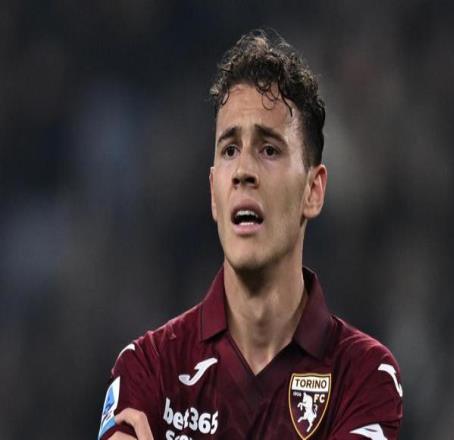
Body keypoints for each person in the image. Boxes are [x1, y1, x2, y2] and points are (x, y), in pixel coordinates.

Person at [97, 29, 403, 440]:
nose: (243, 171)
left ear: (313, 191)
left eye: (269, 149)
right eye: (229, 150)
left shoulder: (364, 375)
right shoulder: (147, 368)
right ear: (213, 192)